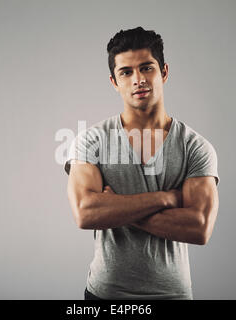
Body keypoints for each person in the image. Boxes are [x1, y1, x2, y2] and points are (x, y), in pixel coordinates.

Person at [64, 27, 220, 300]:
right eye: (126, 72)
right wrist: (164, 198)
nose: (138, 79)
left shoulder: (195, 147)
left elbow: (199, 227)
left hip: (172, 295)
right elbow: (86, 213)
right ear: (114, 81)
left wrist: (116, 209)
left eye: (147, 68)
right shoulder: (91, 142)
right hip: (105, 296)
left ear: (164, 72)